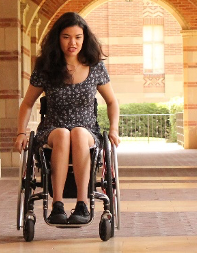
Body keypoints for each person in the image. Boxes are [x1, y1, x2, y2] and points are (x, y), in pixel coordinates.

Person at [14, 12, 121, 225]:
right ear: (58, 38)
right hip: (53, 128)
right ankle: (58, 205)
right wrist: (21, 133)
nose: (72, 42)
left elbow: (112, 102)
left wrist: (114, 129)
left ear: (84, 38)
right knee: (63, 134)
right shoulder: (46, 66)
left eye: (78, 37)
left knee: (79, 133)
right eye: (66, 37)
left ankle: (83, 203)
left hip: (87, 128)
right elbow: (27, 103)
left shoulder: (95, 66)